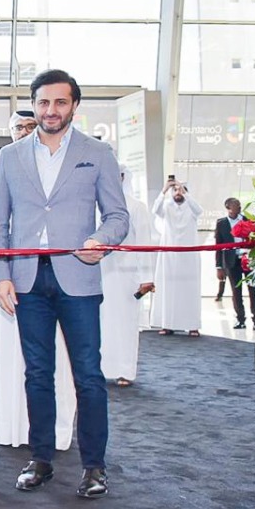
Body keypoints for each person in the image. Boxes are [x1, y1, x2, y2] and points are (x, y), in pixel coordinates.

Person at [0, 69, 129, 499]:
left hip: (78, 276)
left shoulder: (98, 153)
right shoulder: (10, 156)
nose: (51, 111)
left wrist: (101, 242)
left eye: (60, 102)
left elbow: (119, 217)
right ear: (35, 105)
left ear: (74, 106)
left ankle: (94, 466)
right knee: (37, 373)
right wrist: (1, 277)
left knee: (88, 375)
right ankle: (42, 458)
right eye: (44, 103)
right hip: (28, 279)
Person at [0, 111, 77, 453]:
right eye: (17, 127)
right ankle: (12, 429)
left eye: (29, 126)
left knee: (56, 361)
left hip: (58, 280)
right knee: (12, 361)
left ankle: (56, 434)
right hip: (11, 282)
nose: (23, 132)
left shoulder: (62, 165)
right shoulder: (3, 167)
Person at [99, 165, 156, 387]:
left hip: (127, 275)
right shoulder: (95, 203)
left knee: (125, 322)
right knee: (99, 323)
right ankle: (101, 369)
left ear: (123, 177)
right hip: (99, 273)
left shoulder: (136, 206)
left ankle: (124, 370)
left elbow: (144, 242)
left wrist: (147, 278)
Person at [150, 180, 203, 337]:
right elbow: (155, 210)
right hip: (169, 257)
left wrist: (184, 193)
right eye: (175, 191)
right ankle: (168, 325)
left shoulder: (191, 207)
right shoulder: (166, 206)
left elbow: (199, 211)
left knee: (190, 291)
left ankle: (192, 325)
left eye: (180, 190)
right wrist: (164, 189)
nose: (177, 193)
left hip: (189, 258)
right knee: (169, 290)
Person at [214, 197, 255, 330]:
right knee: (236, 291)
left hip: (248, 259)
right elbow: (218, 246)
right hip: (231, 261)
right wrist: (219, 266)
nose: (239, 208)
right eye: (236, 206)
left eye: (239, 205)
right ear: (228, 208)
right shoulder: (221, 223)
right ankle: (240, 319)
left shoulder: (247, 220)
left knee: (253, 289)